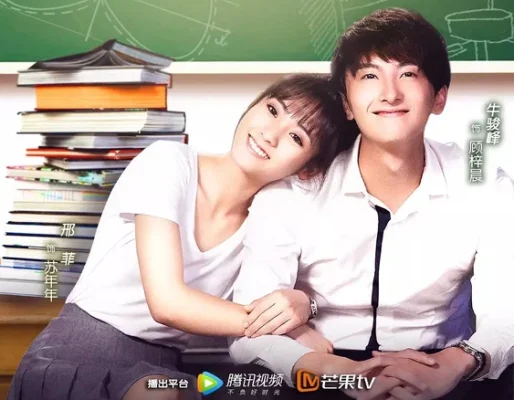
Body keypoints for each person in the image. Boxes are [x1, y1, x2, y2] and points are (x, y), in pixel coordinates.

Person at [7, 74, 359, 400]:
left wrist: (303, 304)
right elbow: (167, 303)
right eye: (272, 110)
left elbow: (260, 317)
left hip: (161, 368)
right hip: (80, 351)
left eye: (297, 137)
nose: (271, 134)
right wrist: (289, 326)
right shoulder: (167, 161)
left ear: (308, 168)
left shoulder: (269, 224)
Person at [229, 8, 514, 400]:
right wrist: (340, 372)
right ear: (347, 103)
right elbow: (248, 327)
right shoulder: (293, 190)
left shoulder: (484, 188)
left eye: (408, 74)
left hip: (443, 364)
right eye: (369, 76)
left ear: (439, 97)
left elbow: (506, 315)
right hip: (322, 365)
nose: (390, 93)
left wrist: (458, 362)